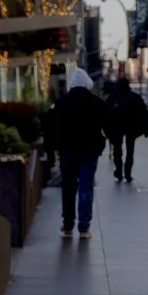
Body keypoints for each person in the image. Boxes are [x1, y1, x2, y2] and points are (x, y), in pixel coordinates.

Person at [49, 68, 109, 238]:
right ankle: (84, 227)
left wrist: (54, 151)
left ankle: (68, 225)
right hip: (90, 151)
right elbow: (109, 124)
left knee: (68, 187)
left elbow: (52, 129)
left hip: (68, 151)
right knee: (86, 186)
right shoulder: (96, 103)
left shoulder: (61, 103)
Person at [107, 80, 148, 183]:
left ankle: (118, 171)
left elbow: (106, 113)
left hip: (116, 127)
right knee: (130, 150)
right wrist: (146, 128)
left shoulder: (113, 98)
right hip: (132, 127)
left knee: (117, 150)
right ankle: (127, 173)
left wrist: (106, 129)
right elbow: (144, 112)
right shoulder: (134, 97)